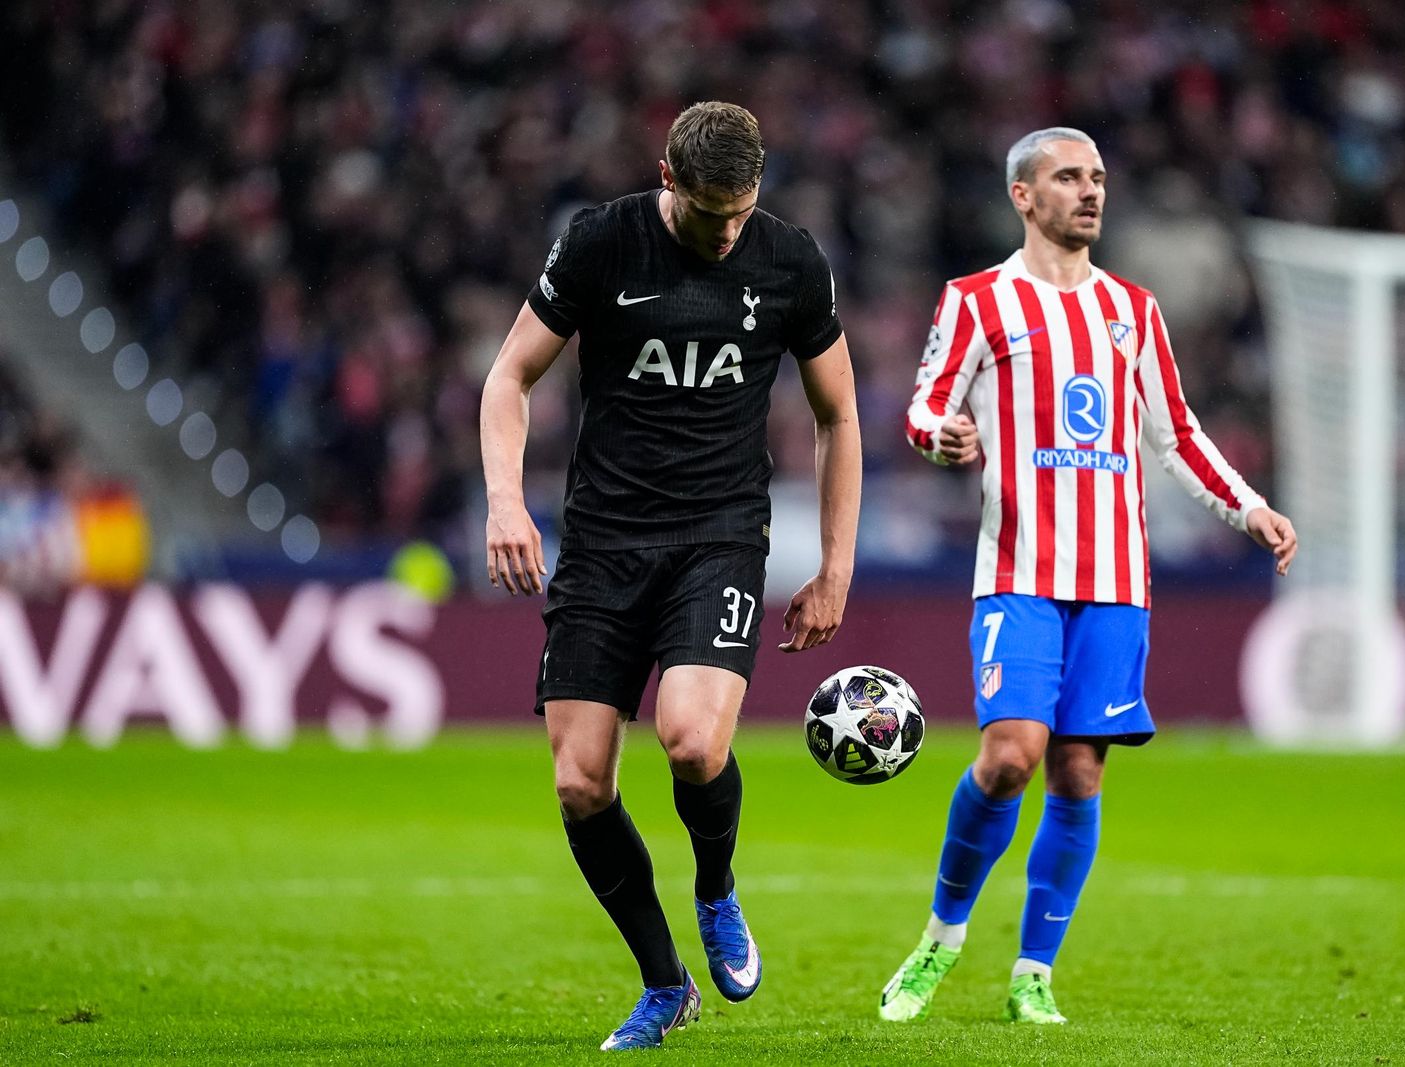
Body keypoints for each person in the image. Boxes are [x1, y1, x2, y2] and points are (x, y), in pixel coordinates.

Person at [881, 127, 1298, 1025]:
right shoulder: (977, 300)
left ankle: (1033, 973)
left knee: (1076, 772)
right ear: (1023, 196)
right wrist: (940, 436)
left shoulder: (1132, 310)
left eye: (1098, 177)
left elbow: (1175, 433)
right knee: (1010, 754)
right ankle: (941, 936)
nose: (1091, 191)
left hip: (1115, 582)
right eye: (1068, 177)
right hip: (1018, 571)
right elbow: (926, 403)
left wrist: (1248, 506)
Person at [479, 101, 861, 1051]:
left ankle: (716, 886)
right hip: (604, 542)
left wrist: (835, 565)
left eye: (742, 211)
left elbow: (838, 414)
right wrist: (505, 502)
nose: (727, 232)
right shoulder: (601, 243)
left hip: (717, 537)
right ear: (667, 178)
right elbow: (509, 376)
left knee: (691, 742)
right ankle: (664, 982)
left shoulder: (790, 261)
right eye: (708, 213)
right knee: (580, 782)